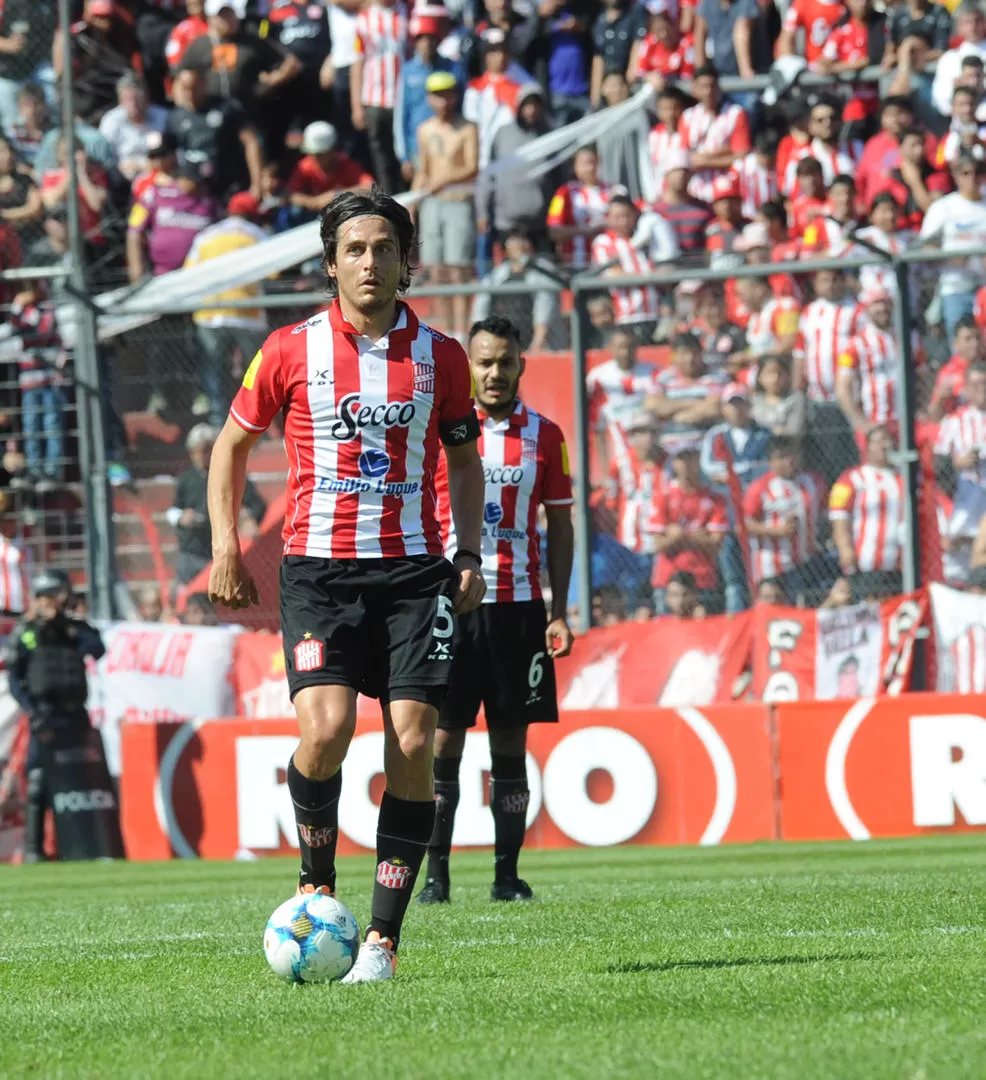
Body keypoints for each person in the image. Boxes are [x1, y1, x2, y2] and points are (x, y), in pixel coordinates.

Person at [206, 189, 486, 984]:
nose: (371, 262)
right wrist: (228, 548)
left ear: (407, 261)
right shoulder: (290, 350)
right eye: (355, 250)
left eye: (384, 248)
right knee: (324, 734)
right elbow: (229, 447)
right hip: (319, 575)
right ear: (331, 266)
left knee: (412, 743)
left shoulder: (444, 356)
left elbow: (463, 460)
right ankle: (316, 880)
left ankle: (383, 943)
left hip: (412, 574)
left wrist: (468, 552)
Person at [417, 315, 574, 904]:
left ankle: (507, 877)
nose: (494, 373)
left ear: (520, 366)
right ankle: (437, 880)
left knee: (510, 742)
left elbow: (560, 525)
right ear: (469, 367)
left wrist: (559, 609)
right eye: (483, 362)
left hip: (519, 610)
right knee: (442, 743)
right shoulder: (440, 433)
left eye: (505, 362)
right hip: (452, 607)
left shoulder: (547, 435)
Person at [5, 569, 106, 862]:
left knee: (83, 780)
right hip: (45, 715)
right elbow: (16, 679)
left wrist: (66, 623)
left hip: (75, 714)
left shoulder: (74, 630)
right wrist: (32, 711)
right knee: (38, 782)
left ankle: (85, 846)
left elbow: (97, 648)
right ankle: (35, 850)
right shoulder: (27, 632)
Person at [184, 192, 271, 425]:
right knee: (254, 372)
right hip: (248, 314)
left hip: (210, 314)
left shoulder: (206, 236)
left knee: (213, 370)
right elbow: (274, 273)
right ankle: (253, 420)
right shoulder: (257, 235)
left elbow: (189, 270)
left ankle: (217, 421)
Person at [180, 0, 301, 147]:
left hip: (250, 115)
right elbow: (181, 79)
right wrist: (190, 107)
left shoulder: (252, 41)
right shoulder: (199, 46)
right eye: (223, 16)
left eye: (231, 14)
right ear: (210, 18)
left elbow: (291, 63)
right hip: (213, 118)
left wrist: (271, 82)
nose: (229, 20)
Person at [414, 72, 478, 340]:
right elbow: (423, 170)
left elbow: (472, 167)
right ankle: (445, 329)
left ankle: (461, 330)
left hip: (458, 202)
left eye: (447, 95)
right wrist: (412, 205)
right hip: (432, 203)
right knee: (437, 269)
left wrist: (444, 180)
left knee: (458, 268)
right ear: (430, 98)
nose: (443, 101)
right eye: (437, 96)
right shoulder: (425, 130)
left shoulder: (467, 128)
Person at [168, 423, 266, 586]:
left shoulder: (233, 474)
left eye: (207, 450)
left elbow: (257, 504)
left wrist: (249, 519)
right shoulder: (186, 479)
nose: (202, 456)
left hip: (225, 551)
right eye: (197, 451)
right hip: (193, 551)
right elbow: (173, 511)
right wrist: (181, 518)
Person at [646, 445, 728, 615]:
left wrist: (679, 535)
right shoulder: (663, 496)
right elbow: (659, 544)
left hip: (703, 581)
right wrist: (696, 536)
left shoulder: (714, 498)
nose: (687, 464)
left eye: (691, 458)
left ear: (699, 460)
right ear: (674, 463)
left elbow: (716, 544)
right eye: (682, 459)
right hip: (668, 582)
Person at [829, 425, 905, 601]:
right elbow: (839, 517)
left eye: (888, 440)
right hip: (867, 561)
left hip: (900, 563)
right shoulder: (851, 478)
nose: (884, 445)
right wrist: (845, 548)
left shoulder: (904, 475)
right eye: (878, 441)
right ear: (867, 446)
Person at [743, 435, 825, 596]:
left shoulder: (814, 482)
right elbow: (745, 524)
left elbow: (825, 512)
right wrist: (776, 531)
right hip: (772, 564)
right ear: (770, 462)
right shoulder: (760, 488)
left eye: (792, 455)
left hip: (807, 560)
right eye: (781, 457)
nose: (789, 461)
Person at [167, 66, 263, 200]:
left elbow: (251, 142)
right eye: (185, 88)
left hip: (231, 186)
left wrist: (257, 184)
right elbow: (168, 157)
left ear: (203, 84)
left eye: (194, 87)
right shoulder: (175, 117)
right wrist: (176, 181)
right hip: (196, 193)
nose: (190, 93)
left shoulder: (226, 108)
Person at [919, 153, 986, 340]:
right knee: (960, 346)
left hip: (985, 287)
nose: (972, 178)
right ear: (956, 177)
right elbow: (924, 247)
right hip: (955, 287)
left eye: (977, 172)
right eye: (965, 173)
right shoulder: (944, 207)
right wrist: (953, 257)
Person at [470, 227, 563, 350]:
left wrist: (537, 343)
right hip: (503, 340)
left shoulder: (543, 270)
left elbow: (545, 305)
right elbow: (480, 307)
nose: (519, 245)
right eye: (514, 240)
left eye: (523, 240)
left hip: (538, 342)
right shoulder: (497, 275)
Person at [351, 0, 408, 194]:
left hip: (403, 98)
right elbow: (357, 63)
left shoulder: (407, 12)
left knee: (405, 156)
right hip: (375, 98)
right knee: (381, 158)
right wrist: (356, 105)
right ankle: (387, 202)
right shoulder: (363, 19)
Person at [591, 192, 662, 342]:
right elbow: (612, 275)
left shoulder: (647, 236)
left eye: (627, 215)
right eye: (618, 217)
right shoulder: (603, 242)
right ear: (608, 218)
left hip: (654, 312)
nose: (623, 222)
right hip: (625, 317)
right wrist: (650, 276)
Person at [677, 63, 751, 204]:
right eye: (703, 87)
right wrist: (724, 151)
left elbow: (741, 155)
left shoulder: (735, 114)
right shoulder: (687, 117)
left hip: (727, 187)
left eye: (712, 86)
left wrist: (705, 160)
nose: (708, 91)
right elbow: (686, 156)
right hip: (696, 187)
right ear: (695, 89)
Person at [835, 287, 900, 447]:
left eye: (885, 303)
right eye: (876, 304)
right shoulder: (855, 345)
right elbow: (843, 388)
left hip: (905, 421)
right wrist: (861, 423)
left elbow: (923, 373)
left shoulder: (909, 337)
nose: (882, 308)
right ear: (866, 308)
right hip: (875, 422)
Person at [646, 331, 728, 457]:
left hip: (706, 449)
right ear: (674, 356)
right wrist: (693, 403)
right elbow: (654, 406)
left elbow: (713, 408)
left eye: (694, 353)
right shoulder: (663, 379)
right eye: (684, 354)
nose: (689, 359)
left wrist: (674, 413)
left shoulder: (716, 376)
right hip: (669, 451)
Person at [286, 120, 374, 221]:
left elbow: (370, 187)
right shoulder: (305, 166)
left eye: (320, 154)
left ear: (332, 150)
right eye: (311, 152)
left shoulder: (346, 164)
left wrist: (337, 195)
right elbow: (289, 194)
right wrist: (314, 202)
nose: (314, 157)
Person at [546, 144, 611, 270]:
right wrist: (587, 230)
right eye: (584, 164)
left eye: (593, 162)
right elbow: (553, 231)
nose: (590, 168)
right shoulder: (563, 194)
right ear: (574, 167)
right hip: (576, 265)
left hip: (608, 265)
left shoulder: (615, 191)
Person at [97, 72, 168, 181]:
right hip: (122, 177)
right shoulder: (111, 121)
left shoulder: (162, 117)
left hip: (156, 173)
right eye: (128, 99)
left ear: (146, 98)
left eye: (137, 99)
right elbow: (105, 157)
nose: (133, 104)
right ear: (120, 100)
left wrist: (145, 165)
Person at [751, 354, 807, 438]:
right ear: (759, 377)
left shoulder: (795, 400)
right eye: (769, 373)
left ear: (787, 376)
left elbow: (793, 432)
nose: (775, 378)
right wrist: (774, 431)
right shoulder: (753, 401)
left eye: (779, 373)